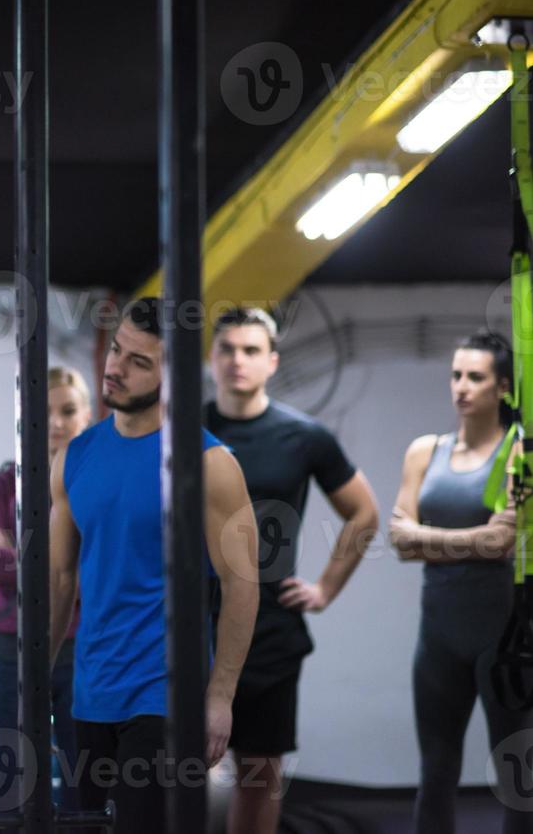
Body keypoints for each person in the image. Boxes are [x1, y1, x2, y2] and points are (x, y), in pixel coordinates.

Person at [49, 297, 259, 834]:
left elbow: (241, 583)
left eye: (139, 362)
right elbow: (61, 578)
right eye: (116, 350)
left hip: (165, 696)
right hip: (91, 691)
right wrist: (37, 676)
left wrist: (220, 696)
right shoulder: (75, 457)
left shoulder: (210, 466)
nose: (114, 367)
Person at [204, 307, 380, 834]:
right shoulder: (182, 432)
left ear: (273, 361)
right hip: (193, 627)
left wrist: (325, 588)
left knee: (260, 776)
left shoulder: (304, 436)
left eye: (251, 350)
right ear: (211, 359)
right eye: (227, 349)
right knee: (179, 773)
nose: (238, 360)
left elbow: (365, 513)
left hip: (271, 631)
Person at [390, 331, 533, 833]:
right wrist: (472, 539)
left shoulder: (519, 455)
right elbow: (397, 540)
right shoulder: (424, 453)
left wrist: (425, 536)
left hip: (504, 641)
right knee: (435, 775)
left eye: (476, 377)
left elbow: (502, 543)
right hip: (438, 641)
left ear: (501, 388)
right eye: (456, 375)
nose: (462, 386)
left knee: (519, 780)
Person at [0, 365, 92, 811]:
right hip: (12, 646)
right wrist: (66, 565)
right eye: (45, 411)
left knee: (89, 784)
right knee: (4, 782)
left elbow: (107, 567)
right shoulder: (5, 485)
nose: (56, 421)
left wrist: (21, 553)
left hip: (85, 648)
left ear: (88, 416)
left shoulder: (98, 487)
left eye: (68, 410)